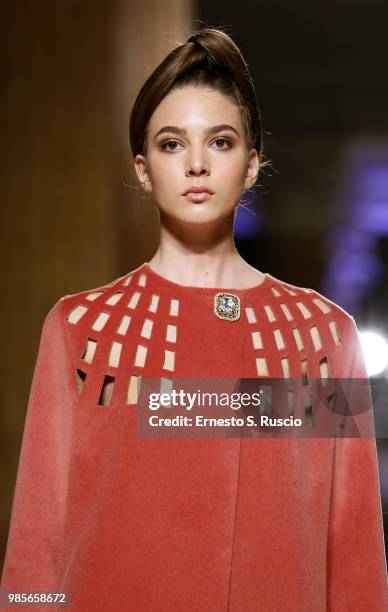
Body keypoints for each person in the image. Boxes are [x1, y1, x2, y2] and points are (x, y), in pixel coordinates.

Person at [1, 26, 387, 612]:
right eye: (173, 143)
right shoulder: (84, 330)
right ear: (143, 167)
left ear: (252, 164)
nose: (198, 164)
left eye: (223, 142)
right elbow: (38, 542)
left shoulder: (322, 335)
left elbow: (353, 548)